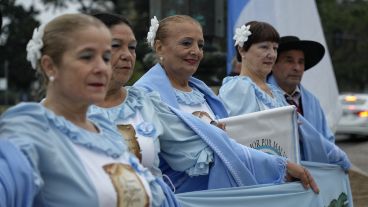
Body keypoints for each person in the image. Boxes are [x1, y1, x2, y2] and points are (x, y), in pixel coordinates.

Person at [0, 13, 175, 207]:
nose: (102, 68)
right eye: (87, 57)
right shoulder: (31, 127)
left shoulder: (105, 130)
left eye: (106, 57)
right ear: (50, 67)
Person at [134, 15, 319, 194]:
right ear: (159, 47)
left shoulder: (201, 92)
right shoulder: (149, 94)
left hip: (216, 192)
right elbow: (198, 152)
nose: (196, 51)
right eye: (186, 43)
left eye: (200, 45)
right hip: (184, 197)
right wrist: (280, 165)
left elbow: (230, 141)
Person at [218, 21, 351, 171]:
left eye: (275, 48)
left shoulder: (274, 92)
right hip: (260, 176)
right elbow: (240, 140)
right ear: (242, 49)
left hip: (285, 175)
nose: (271, 54)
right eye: (264, 47)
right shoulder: (239, 88)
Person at [267, 36, 335, 143]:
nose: (297, 68)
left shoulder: (313, 102)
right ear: (273, 64)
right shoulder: (259, 96)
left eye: (301, 62)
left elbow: (328, 142)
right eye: (289, 61)